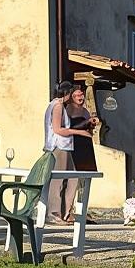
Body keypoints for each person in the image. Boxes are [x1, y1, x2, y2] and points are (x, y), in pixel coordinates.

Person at [43, 81, 79, 223]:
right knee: (57, 180)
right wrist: (77, 132)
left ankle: (65, 211)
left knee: (72, 177)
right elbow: (57, 129)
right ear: (67, 93)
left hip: (64, 147)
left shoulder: (57, 105)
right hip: (59, 147)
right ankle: (54, 212)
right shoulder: (57, 106)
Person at [66, 86, 100, 173]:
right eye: (78, 95)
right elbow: (71, 127)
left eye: (81, 95)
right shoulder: (69, 109)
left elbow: (88, 127)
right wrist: (86, 122)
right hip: (76, 142)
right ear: (73, 97)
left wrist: (91, 124)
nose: (80, 97)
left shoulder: (85, 110)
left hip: (86, 142)